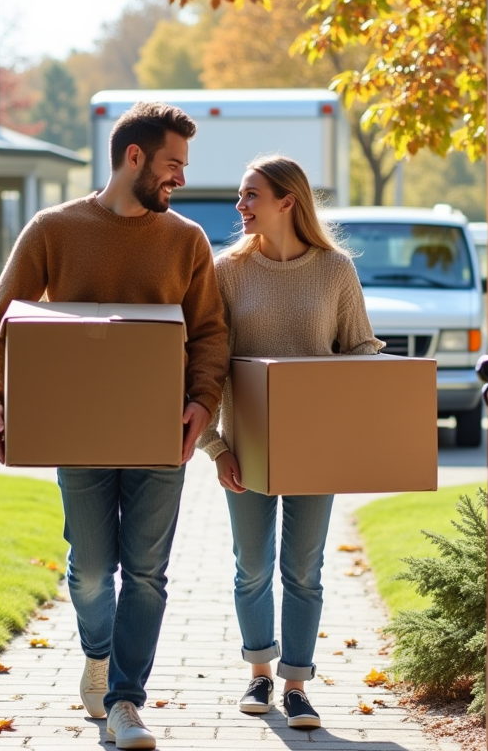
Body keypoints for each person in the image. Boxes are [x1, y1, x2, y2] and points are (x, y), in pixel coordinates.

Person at [0, 102, 229, 751]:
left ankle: (125, 702)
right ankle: (98, 653)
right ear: (133, 157)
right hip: (77, 431)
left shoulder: (187, 241)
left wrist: (203, 403)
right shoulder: (54, 230)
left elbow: (209, 334)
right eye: (172, 165)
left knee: (145, 572)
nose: (181, 179)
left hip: (160, 432)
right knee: (89, 570)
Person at [196, 154, 383, 729]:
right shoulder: (227, 271)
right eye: (241, 194)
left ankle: (297, 684)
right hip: (247, 449)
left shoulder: (335, 270)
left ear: (287, 202)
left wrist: (343, 380)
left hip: (315, 448)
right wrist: (216, 446)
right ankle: (259, 672)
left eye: (251, 194)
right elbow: (205, 365)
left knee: (303, 569)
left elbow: (361, 347)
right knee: (251, 566)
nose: (240, 205)